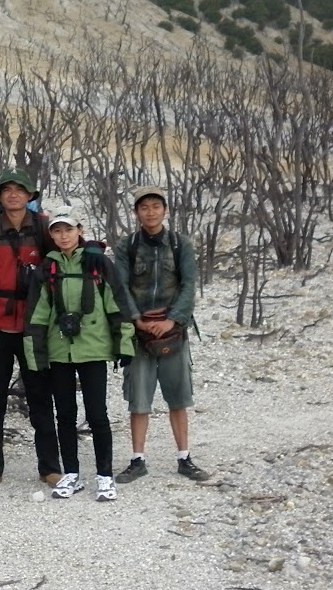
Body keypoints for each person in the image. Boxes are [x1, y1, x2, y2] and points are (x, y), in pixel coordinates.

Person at [23, 206, 129, 502]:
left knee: (98, 415)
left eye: (68, 229)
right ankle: (71, 473)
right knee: (65, 415)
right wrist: (37, 357)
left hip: (93, 349)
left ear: (79, 231)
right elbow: (37, 316)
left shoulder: (98, 264)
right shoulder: (47, 269)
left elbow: (117, 304)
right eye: (57, 230)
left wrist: (124, 345)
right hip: (60, 352)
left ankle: (105, 475)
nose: (63, 235)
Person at [108, 188, 210, 483]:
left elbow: (189, 285)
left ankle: (184, 457)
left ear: (165, 210)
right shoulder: (126, 246)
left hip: (173, 332)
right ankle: (137, 459)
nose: (150, 212)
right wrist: (137, 320)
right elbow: (120, 286)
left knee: (178, 397)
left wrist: (172, 320)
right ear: (136, 212)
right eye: (144, 207)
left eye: (156, 206)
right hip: (138, 334)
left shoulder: (181, 245)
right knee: (138, 399)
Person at [0, 169, 58, 490]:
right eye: (7, 190)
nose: (13, 195)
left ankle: (49, 465)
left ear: (30, 195)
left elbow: (60, 263)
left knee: (39, 394)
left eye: (20, 190)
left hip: (34, 324)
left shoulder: (45, 226)